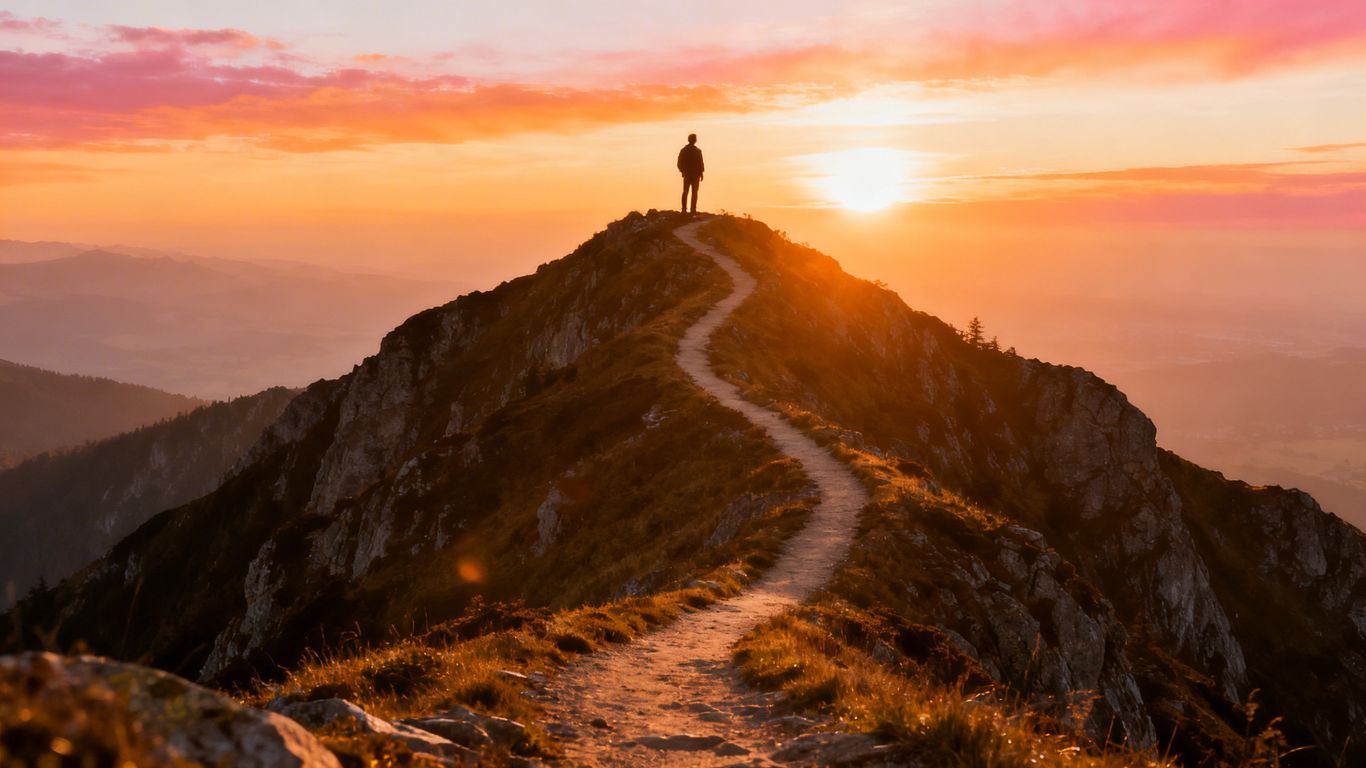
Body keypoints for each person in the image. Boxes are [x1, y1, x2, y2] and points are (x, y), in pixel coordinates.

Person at [677, 134, 704, 213]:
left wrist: (683, 171)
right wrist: (701, 173)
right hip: (693, 174)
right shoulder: (697, 151)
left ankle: (685, 209)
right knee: (693, 192)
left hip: (689, 174)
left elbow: (679, 163)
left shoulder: (684, 150)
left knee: (686, 192)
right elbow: (701, 163)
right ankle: (692, 209)